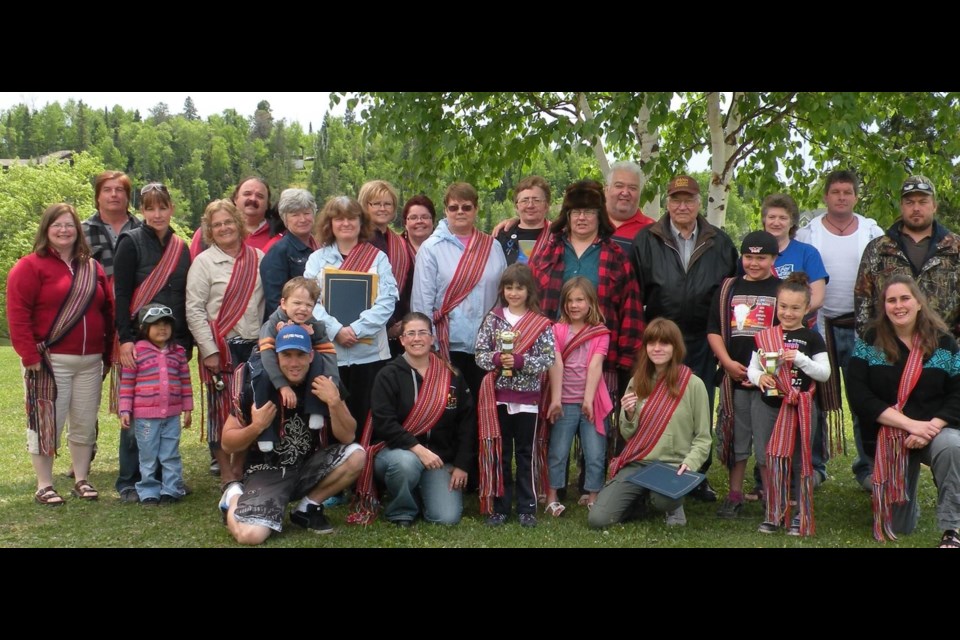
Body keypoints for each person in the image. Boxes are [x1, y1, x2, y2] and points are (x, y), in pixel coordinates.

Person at [632, 174, 738, 502]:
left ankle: (696, 474)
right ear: (667, 202)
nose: (682, 206)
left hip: (702, 339)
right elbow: (634, 293)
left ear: (698, 202)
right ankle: (651, 469)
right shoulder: (646, 239)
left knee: (700, 406)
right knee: (655, 405)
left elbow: (730, 295)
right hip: (659, 341)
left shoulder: (719, 242)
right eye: (676, 199)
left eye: (688, 199)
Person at [219, 324, 366, 544]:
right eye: (286, 355)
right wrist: (256, 427)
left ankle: (307, 508)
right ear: (275, 357)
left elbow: (347, 436)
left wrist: (334, 402)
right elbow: (227, 443)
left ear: (311, 356)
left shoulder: (325, 381)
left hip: (306, 467)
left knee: (357, 455)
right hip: (267, 472)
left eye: (300, 355)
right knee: (250, 536)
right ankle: (232, 496)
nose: (294, 363)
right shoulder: (256, 386)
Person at [7, 203, 114, 505]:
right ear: (46, 229)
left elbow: (107, 312)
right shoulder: (30, 266)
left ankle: (81, 478)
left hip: (91, 360)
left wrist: (106, 352)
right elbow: (18, 314)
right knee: (47, 421)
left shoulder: (91, 267)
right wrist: (29, 356)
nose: (64, 230)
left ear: (78, 230)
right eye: (57, 225)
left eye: (69, 225)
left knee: (84, 421)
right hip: (49, 362)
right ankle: (44, 484)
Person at [846, 275, 960, 547]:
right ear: (883, 306)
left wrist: (931, 426)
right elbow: (860, 396)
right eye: (891, 300)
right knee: (898, 526)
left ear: (919, 303)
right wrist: (911, 425)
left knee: (953, 447)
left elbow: (958, 392)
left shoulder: (943, 342)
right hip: (891, 434)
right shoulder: (870, 340)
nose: (899, 306)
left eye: (905, 298)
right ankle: (907, 502)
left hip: (935, 429)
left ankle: (952, 528)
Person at [795, 169, 883, 491]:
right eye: (836, 192)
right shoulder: (808, 234)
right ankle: (815, 466)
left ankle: (869, 468)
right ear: (826, 196)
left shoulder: (873, 232)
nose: (842, 197)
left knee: (864, 398)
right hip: (820, 327)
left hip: (863, 327)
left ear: (856, 197)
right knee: (815, 396)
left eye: (848, 192)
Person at [352, 313, 476, 527]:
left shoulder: (451, 375)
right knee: (405, 464)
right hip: (397, 454)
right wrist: (418, 449)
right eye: (410, 333)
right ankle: (402, 510)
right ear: (402, 340)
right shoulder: (387, 375)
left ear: (432, 338)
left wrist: (462, 464)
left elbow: (467, 421)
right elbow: (384, 423)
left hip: (438, 458)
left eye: (422, 333)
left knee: (446, 518)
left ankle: (418, 492)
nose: (416, 338)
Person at [588, 318, 712, 528]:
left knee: (663, 500)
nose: (657, 348)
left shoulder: (693, 385)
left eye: (664, 343)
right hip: (639, 462)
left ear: (675, 347)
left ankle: (669, 504)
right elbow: (628, 434)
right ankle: (639, 499)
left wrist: (689, 464)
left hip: (672, 466)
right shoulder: (637, 381)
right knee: (598, 520)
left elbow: (703, 438)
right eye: (651, 343)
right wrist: (628, 414)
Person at [113, 183, 192, 503]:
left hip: (172, 343)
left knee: (167, 414)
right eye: (149, 208)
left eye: (162, 207)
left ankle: (163, 479)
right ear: (142, 211)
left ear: (171, 208)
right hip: (139, 340)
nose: (157, 214)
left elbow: (184, 297)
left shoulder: (181, 247)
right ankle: (130, 481)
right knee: (138, 415)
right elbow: (120, 294)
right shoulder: (130, 242)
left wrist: (184, 341)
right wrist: (125, 339)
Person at [530, 179, 643, 399]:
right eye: (576, 211)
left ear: (599, 216)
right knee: (556, 428)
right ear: (567, 215)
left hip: (600, 359)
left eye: (589, 212)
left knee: (595, 428)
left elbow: (631, 311)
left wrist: (627, 359)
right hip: (553, 355)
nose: (582, 218)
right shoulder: (547, 253)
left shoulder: (617, 256)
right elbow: (531, 304)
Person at [185, 199, 265, 488]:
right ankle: (226, 472)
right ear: (209, 230)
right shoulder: (203, 263)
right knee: (221, 411)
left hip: (253, 346)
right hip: (221, 348)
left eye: (228, 222)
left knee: (244, 407)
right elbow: (194, 310)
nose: (223, 228)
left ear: (238, 223)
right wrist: (208, 350)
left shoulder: (258, 258)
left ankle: (240, 467)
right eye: (216, 224)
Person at [746, 273, 831, 535]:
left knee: (798, 460)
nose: (788, 313)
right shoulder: (765, 336)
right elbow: (752, 367)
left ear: (806, 309)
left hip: (800, 407)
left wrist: (801, 360)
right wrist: (760, 377)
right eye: (783, 306)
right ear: (776, 305)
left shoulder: (812, 338)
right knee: (766, 456)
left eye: (795, 308)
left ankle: (799, 512)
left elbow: (824, 373)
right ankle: (774, 511)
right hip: (767, 406)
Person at [304, 196, 398, 432]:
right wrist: (336, 330)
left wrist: (356, 330)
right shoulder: (317, 259)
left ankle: (366, 467)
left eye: (351, 218)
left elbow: (387, 301)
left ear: (361, 222)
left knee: (367, 416)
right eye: (339, 219)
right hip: (329, 352)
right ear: (330, 223)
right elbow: (309, 302)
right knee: (333, 415)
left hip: (369, 355)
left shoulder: (378, 258)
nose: (346, 223)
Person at [474, 264, 557, 527]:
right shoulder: (493, 318)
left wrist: (520, 361)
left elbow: (548, 359)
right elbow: (480, 354)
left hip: (527, 400)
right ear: (502, 290)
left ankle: (527, 507)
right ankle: (500, 506)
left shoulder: (540, 322)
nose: (514, 292)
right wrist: (498, 359)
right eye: (509, 287)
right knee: (500, 453)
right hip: (497, 397)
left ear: (529, 290)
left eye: (519, 287)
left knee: (525, 453)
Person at [707, 230, 780, 518]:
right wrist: (725, 362)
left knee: (766, 442)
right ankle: (734, 494)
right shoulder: (729, 288)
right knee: (736, 439)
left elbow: (789, 332)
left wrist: (766, 371)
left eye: (761, 258)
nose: (754, 263)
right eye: (749, 257)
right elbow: (714, 329)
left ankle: (771, 498)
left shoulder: (782, 289)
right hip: (734, 378)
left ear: (773, 258)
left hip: (768, 380)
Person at [411, 182, 507, 397]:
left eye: (466, 207)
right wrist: (427, 342)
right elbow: (422, 301)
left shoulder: (493, 247)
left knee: (481, 407)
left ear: (476, 209)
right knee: (449, 409)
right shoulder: (431, 249)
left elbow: (503, 298)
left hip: (486, 344)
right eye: (454, 207)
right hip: (447, 343)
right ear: (445, 210)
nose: (460, 212)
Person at [542, 277, 613, 514]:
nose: (574, 305)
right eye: (570, 300)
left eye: (580, 300)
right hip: (564, 402)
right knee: (558, 451)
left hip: (592, 401)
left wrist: (588, 401)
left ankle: (594, 495)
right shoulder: (557, 330)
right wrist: (556, 400)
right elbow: (556, 363)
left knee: (595, 452)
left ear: (591, 302)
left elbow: (595, 365)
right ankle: (552, 496)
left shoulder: (600, 332)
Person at [118, 304, 193, 506]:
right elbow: (127, 383)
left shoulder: (178, 352)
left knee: (170, 453)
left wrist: (188, 408)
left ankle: (171, 488)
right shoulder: (137, 352)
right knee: (148, 454)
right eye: (156, 324)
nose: (162, 329)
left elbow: (185, 381)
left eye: (166, 324)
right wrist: (125, 409)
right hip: (145, 417)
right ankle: (148, 490)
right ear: (144, 328)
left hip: (172, 415)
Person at [251, 277, 337, 450]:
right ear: (283, 303)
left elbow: (329, 353)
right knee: (262, 377)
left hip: (299, 360)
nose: (303, 309)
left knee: (318, 359)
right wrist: (282, 386)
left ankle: (317, 410)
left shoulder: (315, 325)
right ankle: (265, 434)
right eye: (297, 303)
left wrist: (332, 381)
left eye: (308, 305)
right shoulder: (272, 323)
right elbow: (267, 355)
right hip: (269, 360)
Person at [358, 180, 414, 356]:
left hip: (398, 327)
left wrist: (401, 323)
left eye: (387, 204)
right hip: (363, 328)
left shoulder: (400, 243)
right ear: (365, 206)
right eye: (376, 204)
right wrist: (386, 325)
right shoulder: (357, 241)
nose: (382, 208)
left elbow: (407, 286)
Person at [258, 188, 319, 322]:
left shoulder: (321, 248)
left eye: (306, 213)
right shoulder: (278, 251)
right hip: (291, 327)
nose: (302, 219)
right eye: (295, 215)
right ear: (285, 218)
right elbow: (275, 300)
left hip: (318, 324)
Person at [190, 176, 277, 258]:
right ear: (235, 199)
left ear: (267, 204)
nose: (253, 199)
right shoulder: (208, 231)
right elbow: (195, 268)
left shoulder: (279, 234)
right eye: (247, 194)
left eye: (260, 196)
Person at [83, 170, 141, 285]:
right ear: (97, 197)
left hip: (137, 299)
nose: (113, 194)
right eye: (107, 190)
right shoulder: (82, 231)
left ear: (127, 196)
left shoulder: (143, 230)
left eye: (119, 190)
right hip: (97, 299)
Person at [495, 175, 552, 266]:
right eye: (524, 200)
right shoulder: (503, 235)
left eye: (536, 200)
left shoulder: (558, 236)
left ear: (546, 205)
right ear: (516, 206)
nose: (530, 205)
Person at [604, 161, 656, 254]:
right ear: (606, 190)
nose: (625, 192)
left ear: (640, 193)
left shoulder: (653, 231)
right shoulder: (588, 221)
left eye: (632, 188)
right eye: (619, 186)